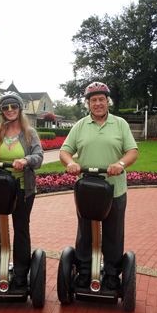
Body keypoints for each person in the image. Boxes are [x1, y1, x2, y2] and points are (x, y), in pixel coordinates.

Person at [59, 82, 138, 290]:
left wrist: (120, 164)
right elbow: (64, 151)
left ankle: (112, 273)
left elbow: (132, 152)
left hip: (115, 189)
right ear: (88, 103)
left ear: (107, 101)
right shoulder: (80, 126)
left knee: (113, 232)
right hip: (87, 190)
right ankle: (84, 271)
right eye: (93, 100)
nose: (97, 103)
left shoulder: (120, 124)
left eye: (101, 99)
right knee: (85, 233)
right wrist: (71, 163)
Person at [0, 92, 44, 287]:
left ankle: (21, 274)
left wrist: (25, 160)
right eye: (6, 107)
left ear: (20, 108)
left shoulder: (30, 133)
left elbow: (38, 157)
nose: (10, 110)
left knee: (21, 230)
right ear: (1, 111)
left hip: (22, 190)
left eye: (13, 106)